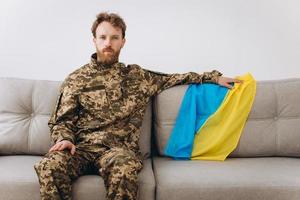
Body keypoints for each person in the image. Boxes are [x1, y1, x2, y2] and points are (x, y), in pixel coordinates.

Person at [34, 12, 241, 200]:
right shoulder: (76, 79)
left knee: (124, 170)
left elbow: (175, 78)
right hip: (81, 149)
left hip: (118, 150)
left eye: (115, 37)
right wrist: (64, 139)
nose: (108, 43)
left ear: (123, 42)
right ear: (94, 40)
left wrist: (213, 77)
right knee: (49, 166)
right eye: (103, 37)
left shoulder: (137, 77)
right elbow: (62, 120)